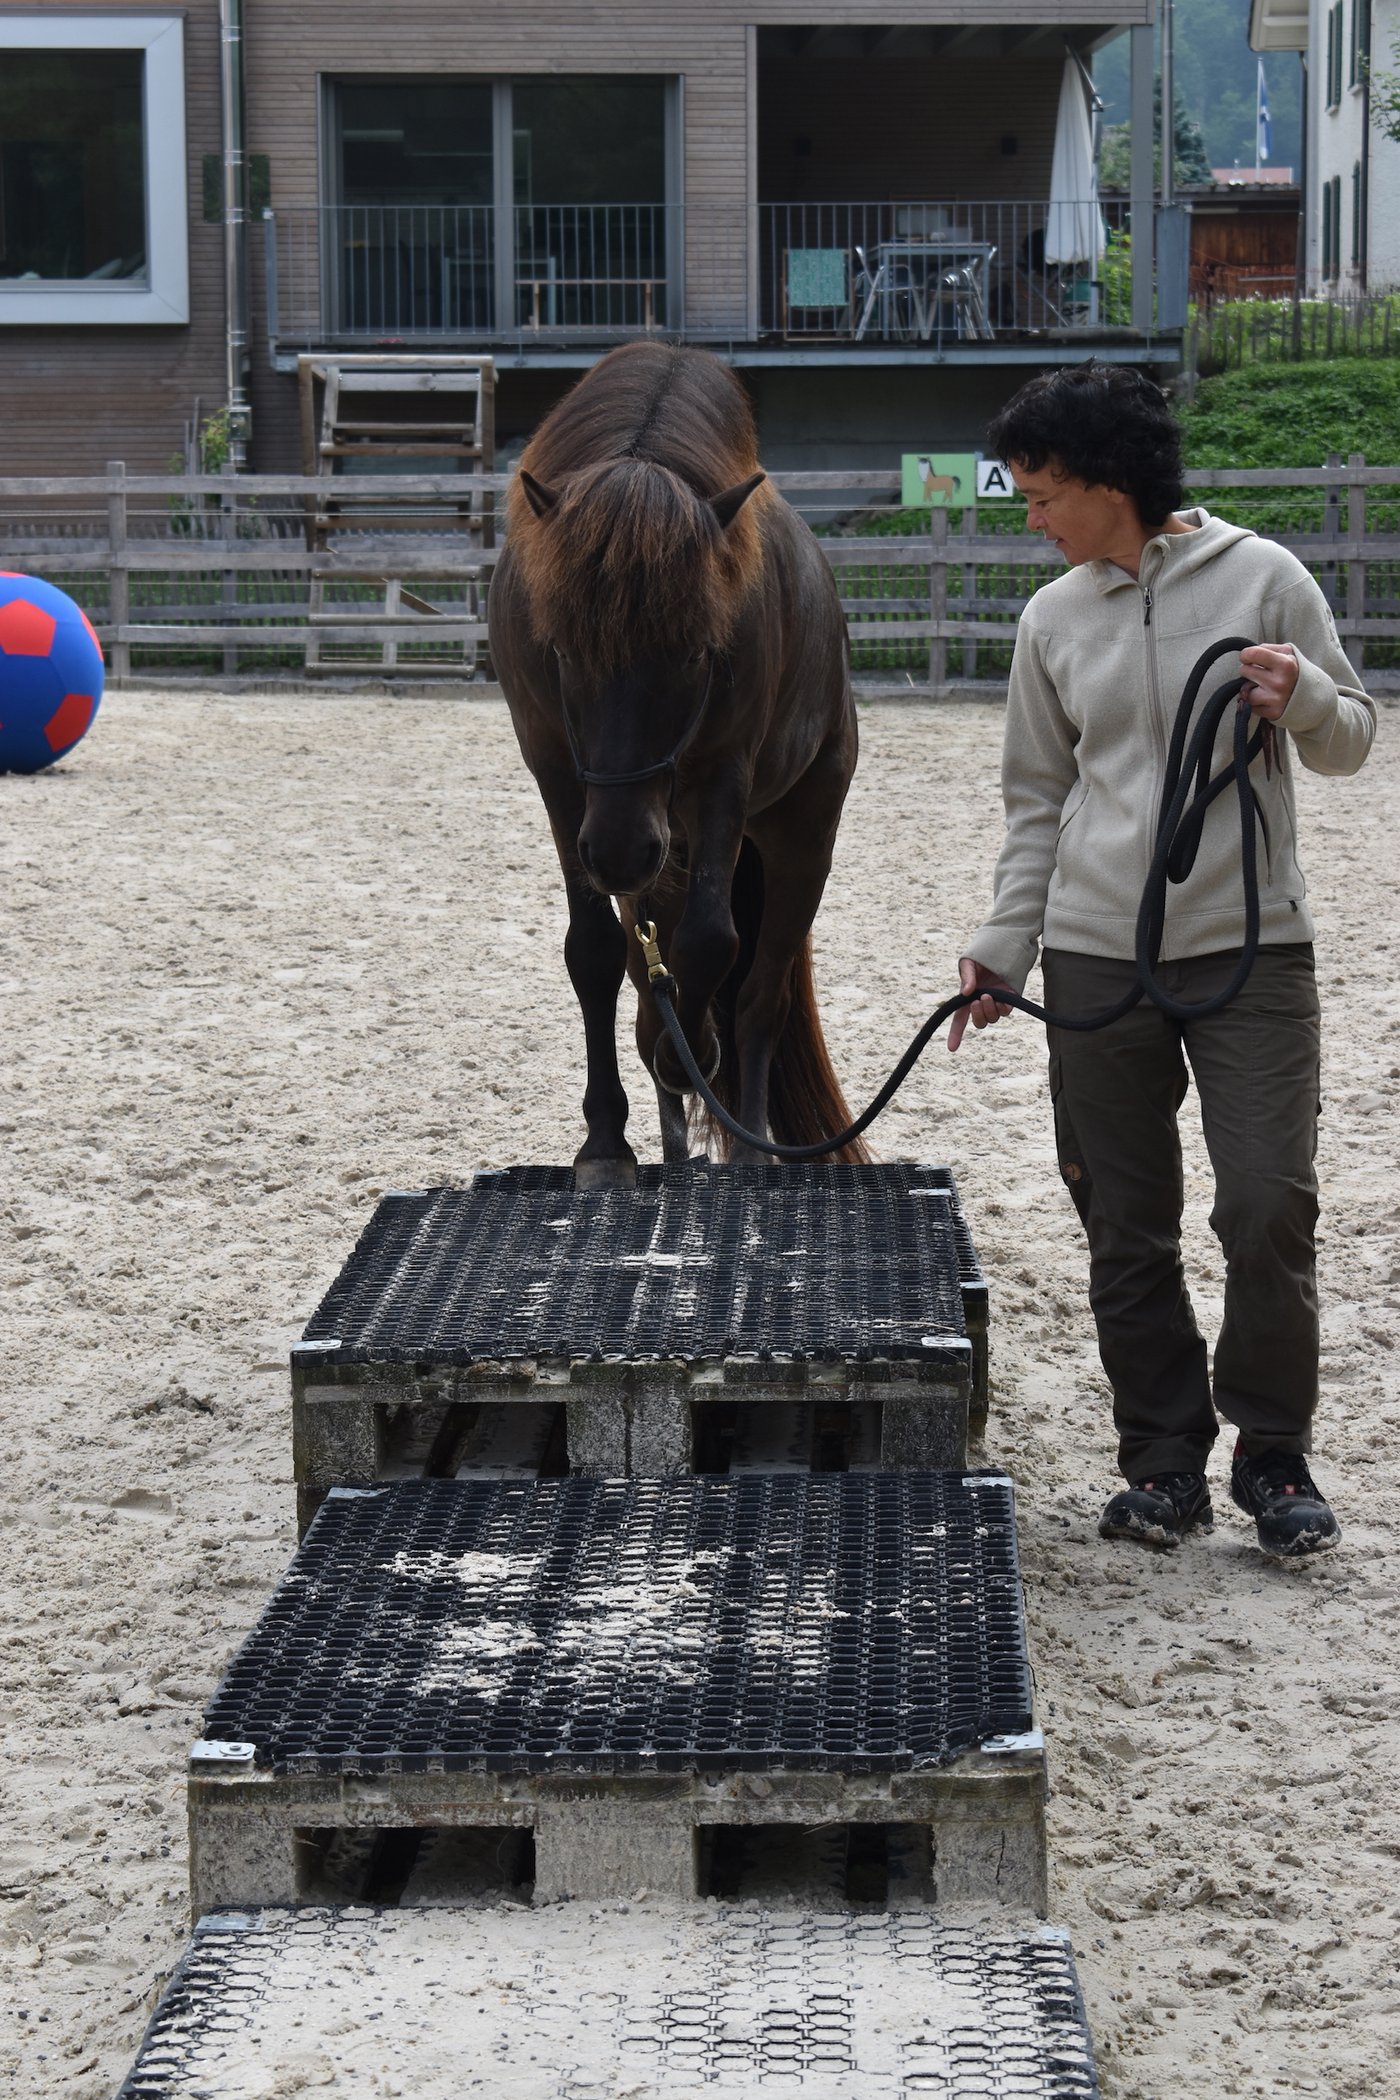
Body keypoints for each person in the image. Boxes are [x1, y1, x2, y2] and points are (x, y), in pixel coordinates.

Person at [950, 363, 1376, 1559]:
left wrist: (1297, 700)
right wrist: (1000, 950)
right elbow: (1036, 801)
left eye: (1042, 497)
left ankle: (1271, 1453)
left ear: (1109, 484)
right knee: (1123, 1221)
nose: (1031, 519)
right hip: (1093, 960)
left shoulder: (1263, 578)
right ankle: (1161, 1461)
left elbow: (1351, 739)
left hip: (1251, 949)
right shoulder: (1052, 618)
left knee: (1263, 1202)